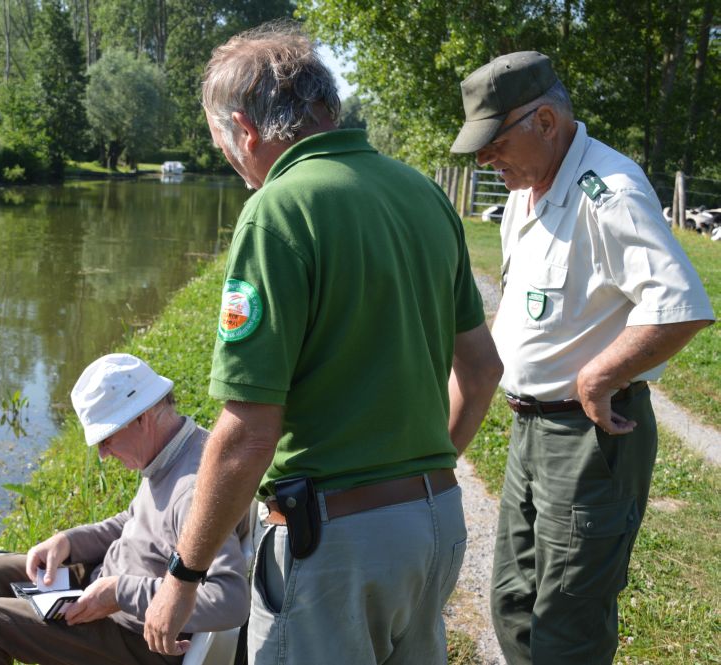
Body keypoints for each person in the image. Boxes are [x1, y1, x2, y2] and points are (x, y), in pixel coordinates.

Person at [143, 21, 503, 665]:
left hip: (335, 545)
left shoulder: (277, 210)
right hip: (437, 524)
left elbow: (248, 432)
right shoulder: (422, 192)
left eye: (226, 147)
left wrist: (183, 576)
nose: (235, 166)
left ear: (245, 131)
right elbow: (480, 370)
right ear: (326, 106)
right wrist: (423, 471)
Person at [450, 51, 715, 665]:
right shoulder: (529, 190)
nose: (486, 159)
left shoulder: (610, 192)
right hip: (530, 429)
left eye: (495, 142)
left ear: (545, 121)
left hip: (589, 438)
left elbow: (680, 304)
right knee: (514, 602)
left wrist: (598, 375)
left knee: (567, 617)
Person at [0, 353, 250, 665]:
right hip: (104, 588)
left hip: (135, 638)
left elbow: (230, 602)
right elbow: (135, 523)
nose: (104, 454)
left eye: (106, 439)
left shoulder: (193, 489)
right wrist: (69, 541)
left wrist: (120, 592)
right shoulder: (172, 452)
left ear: (141, 418)